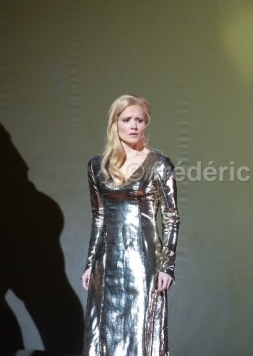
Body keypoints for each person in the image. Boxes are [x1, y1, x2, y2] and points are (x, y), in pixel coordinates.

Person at [81, 94, 180, 356]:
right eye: (127, 119)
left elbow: (170, 217)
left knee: (139, 328)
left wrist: (167, 266)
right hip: (107, 261)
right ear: (115, 123)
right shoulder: (96, 166)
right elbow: (99, 216)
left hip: (144, 259)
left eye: (140, 120)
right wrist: (90, 263)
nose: (134, 125)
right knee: (106, 328)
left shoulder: (159, 164)